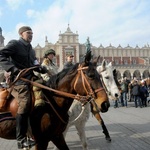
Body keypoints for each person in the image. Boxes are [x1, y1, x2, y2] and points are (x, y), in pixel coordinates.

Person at [0, 26, 46, 149]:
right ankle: (21, 139)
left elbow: (34, 62)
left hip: (31, 78)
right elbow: (1, 55)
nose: (31, 35)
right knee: (25, 102)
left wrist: (40, 67)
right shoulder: (15, 44)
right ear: (21, 34)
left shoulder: (31, 49)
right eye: (28, 33)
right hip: (18, 81)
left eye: (32, 33)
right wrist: (13, 69)